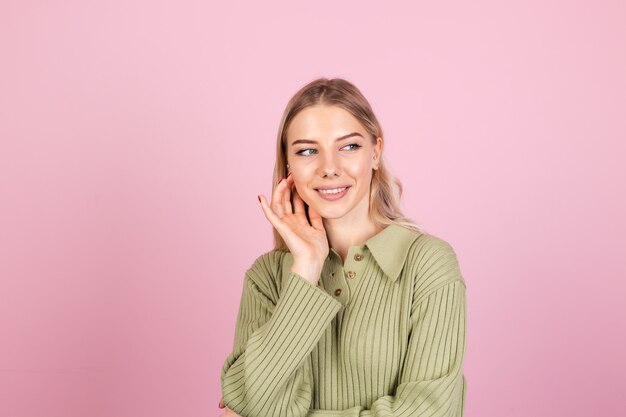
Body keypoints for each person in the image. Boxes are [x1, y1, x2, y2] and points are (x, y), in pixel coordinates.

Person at [218, 78, 467, 417]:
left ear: (376, 152)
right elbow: (250, 403)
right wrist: (305, 267)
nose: (329, 167)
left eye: (349, 146)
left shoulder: (427, 264)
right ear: (288, 165)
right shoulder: (267, 277)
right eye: (308, 151)